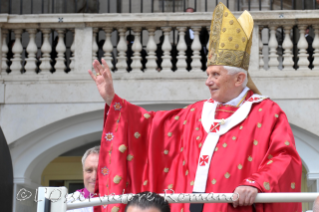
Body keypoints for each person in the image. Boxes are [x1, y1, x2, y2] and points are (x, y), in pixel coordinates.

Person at [89, 3, 302, 212]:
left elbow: (284, 157)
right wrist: (112, 100)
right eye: (208, 74)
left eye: (215, 75)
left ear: (239, 79)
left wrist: (255, 183)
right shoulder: (196, 113)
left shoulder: (267, 113)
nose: (208, 81)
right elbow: (152, 127)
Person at [67, 146, 100, 212]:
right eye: (89, 170)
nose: (94, 177)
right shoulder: (66, 203)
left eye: (99, 170)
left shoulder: (121, 202)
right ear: (83, 171)